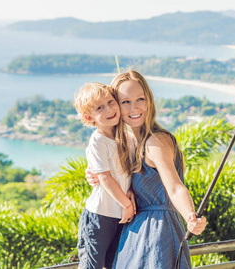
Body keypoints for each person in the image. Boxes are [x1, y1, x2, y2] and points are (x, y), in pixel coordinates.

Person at [86, 71, 207, 269]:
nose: (134, 108)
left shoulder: (155, 141)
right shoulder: (131, 143)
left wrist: (191, 217)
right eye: (125, 102)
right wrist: (94, 173)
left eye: (140, 99)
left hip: (159, 234)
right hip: (135, 235)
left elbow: (175, 187)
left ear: (149, 101)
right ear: (116, 106)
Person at [73, 82, 136, 269]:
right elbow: (106, 178)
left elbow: (128, 172)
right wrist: (126, 204)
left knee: (115, 264)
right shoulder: (97, 140)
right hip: (99, 216)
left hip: (121, 216)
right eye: (100, 107)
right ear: (89, 117)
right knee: (92, 266)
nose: (109, 109)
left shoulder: (128, 138)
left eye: (110, 102)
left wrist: (130, 192)